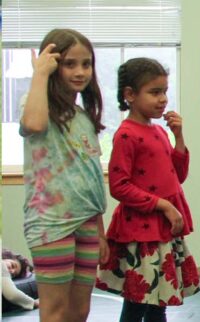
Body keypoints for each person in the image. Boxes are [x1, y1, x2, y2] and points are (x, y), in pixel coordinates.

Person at [96, 57, 200, 322]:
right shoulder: (126, 134)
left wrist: (179, 137)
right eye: (154, 92)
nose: (163, 99)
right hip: (141, 232)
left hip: (162, 230)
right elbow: (119, 186)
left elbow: (178, 176)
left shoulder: (159, 132)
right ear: (130, 95)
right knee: (138, 302)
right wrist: (164, 205)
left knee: (159, 301)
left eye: (164, 91)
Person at [20, 28, 109, 322]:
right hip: (51, 223)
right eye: (70, 63)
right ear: (54, 63)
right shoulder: (36, 106)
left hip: (85, 222)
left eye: (86, 64)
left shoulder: (83, 118)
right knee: (55, 311)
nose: (80, 72)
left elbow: (91, 177)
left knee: (79, 310)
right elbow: (33, 124)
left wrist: (100, 232)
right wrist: (40, 74)